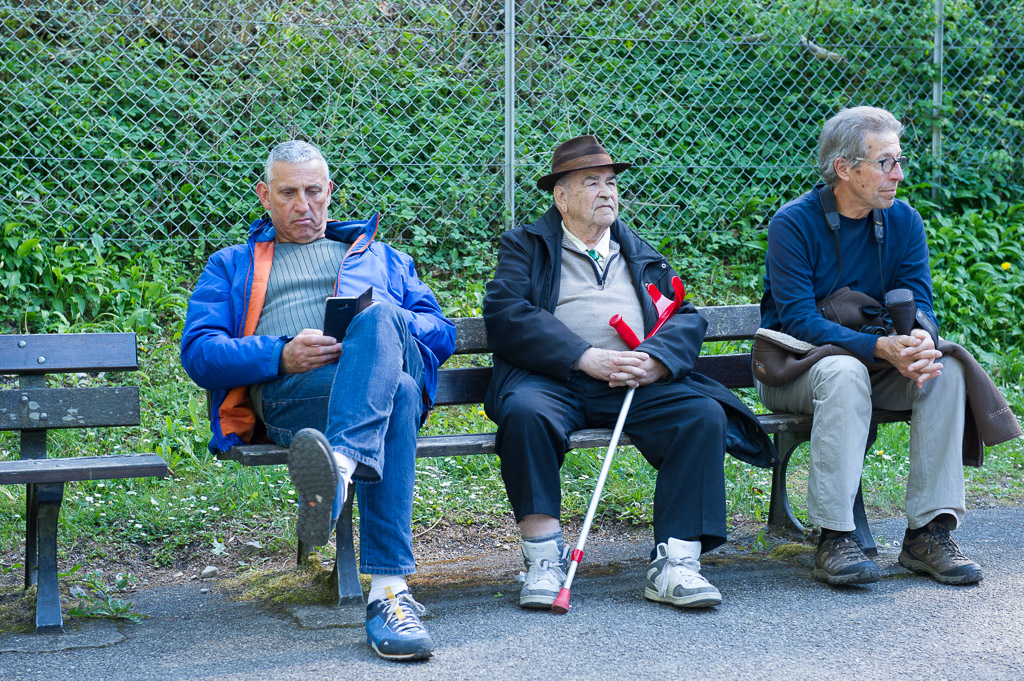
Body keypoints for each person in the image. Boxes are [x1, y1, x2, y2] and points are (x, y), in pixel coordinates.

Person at [181, 140, 455, 660]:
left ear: (330, 192)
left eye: (313, 192)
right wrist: (280, 354)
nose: (303, 205)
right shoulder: (232, 265)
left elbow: (441, 333)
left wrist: (384, 327)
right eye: (288, 193)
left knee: (383, 328)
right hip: (296, 398)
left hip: (373, 385)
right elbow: (199, 354)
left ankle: (341, 467)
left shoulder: (384, 259)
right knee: (395, 392)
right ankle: (389, 594)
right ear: (265, 196)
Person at [482, 135, 775, 610]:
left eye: (611, 183)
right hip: (553, 380)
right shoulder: (526, 246)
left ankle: (676, 562)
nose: (606, 192)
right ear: (561, 196)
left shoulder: (638, 252)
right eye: (591, 182)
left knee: (700, 414)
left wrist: (656, 360)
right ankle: (543, 559)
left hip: (631, 383)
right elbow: (506, 313)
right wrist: (582, 355)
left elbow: (684, 316)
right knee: (525, 414)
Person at [757, 106, 984, 587]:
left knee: (946, 370)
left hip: (872, 370)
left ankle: (928, 533)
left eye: (899, 161)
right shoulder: (793, 224)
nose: (898, 174)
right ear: (844, 168)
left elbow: (920, 302)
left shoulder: (904, 221)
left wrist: (920, 336)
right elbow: (799, 322)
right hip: (794, 371)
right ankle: (835, 536)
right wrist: (880, 348)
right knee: (844, 372)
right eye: (885, 163)